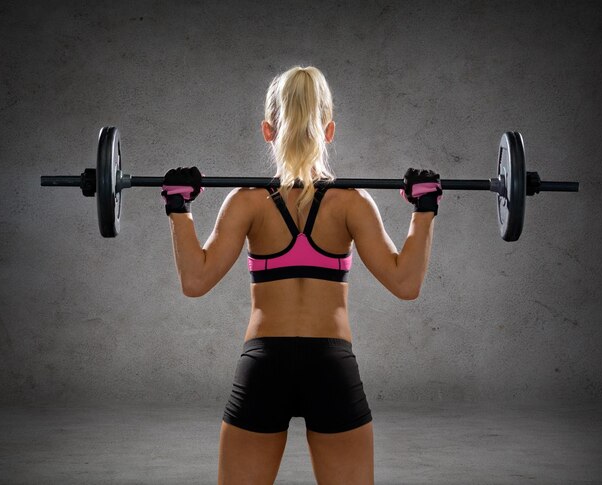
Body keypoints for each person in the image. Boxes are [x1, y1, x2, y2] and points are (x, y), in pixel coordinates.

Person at [161, 66, 441, 485]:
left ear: (267, 130)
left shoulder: (247, 202)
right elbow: (406, 284)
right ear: (328, 130)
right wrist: (424, 209)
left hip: (264, 364)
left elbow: (195, 281)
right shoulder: (351, 203)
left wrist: (179, 208)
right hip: (330, 366)